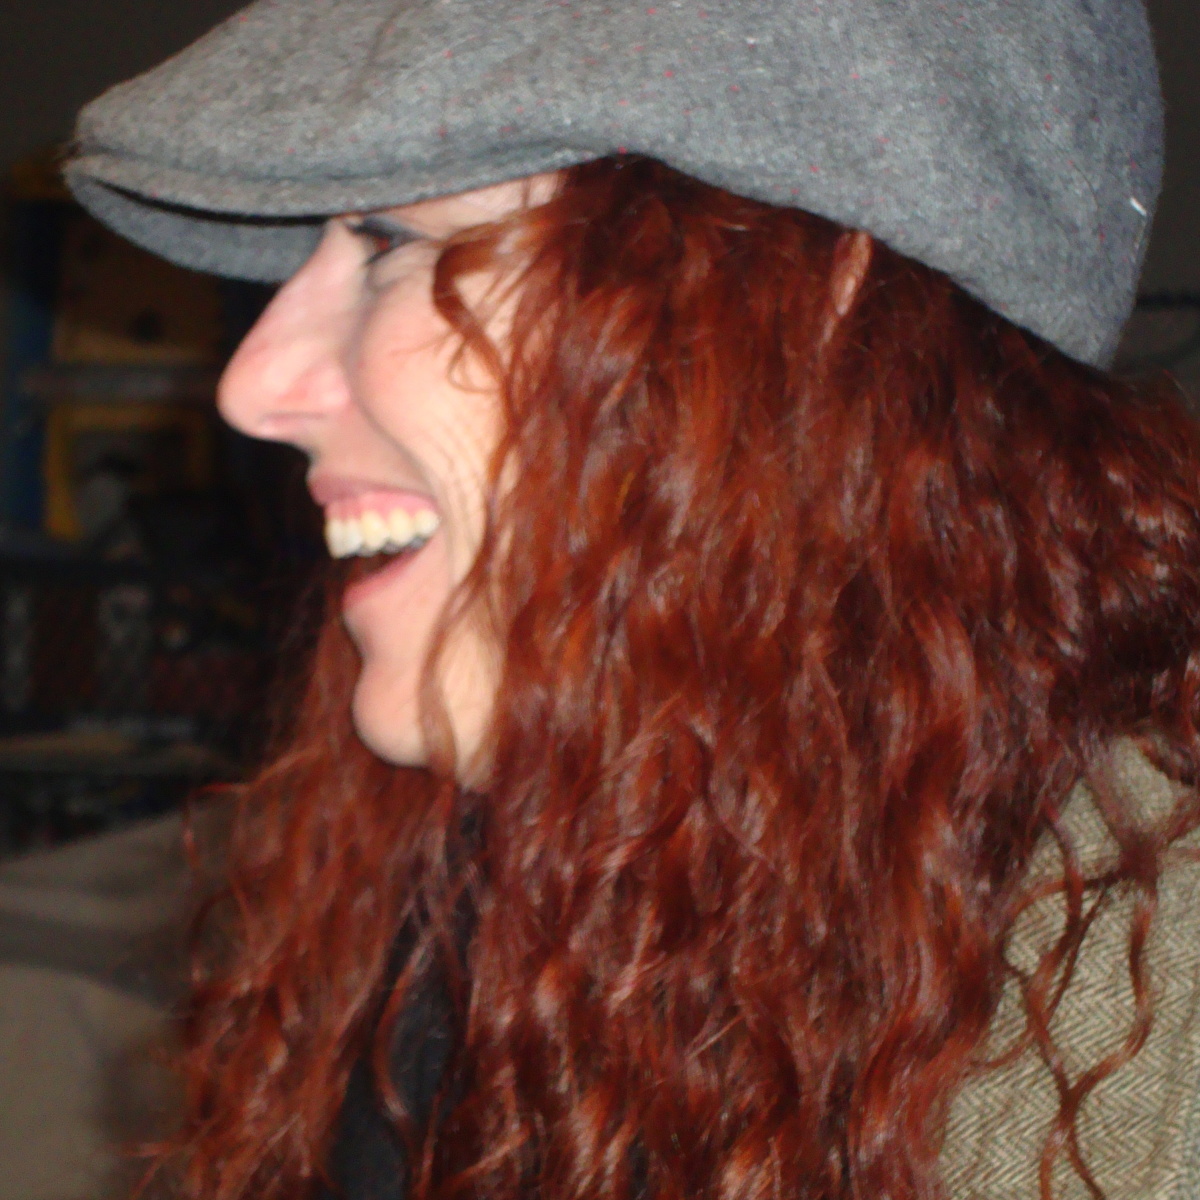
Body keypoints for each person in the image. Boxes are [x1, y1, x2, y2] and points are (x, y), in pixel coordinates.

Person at [65, 2, 1200, 1198]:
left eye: (390, 243)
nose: (253, 386)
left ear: (807, 303)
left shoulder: (1149, 1033)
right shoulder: (493, 889)